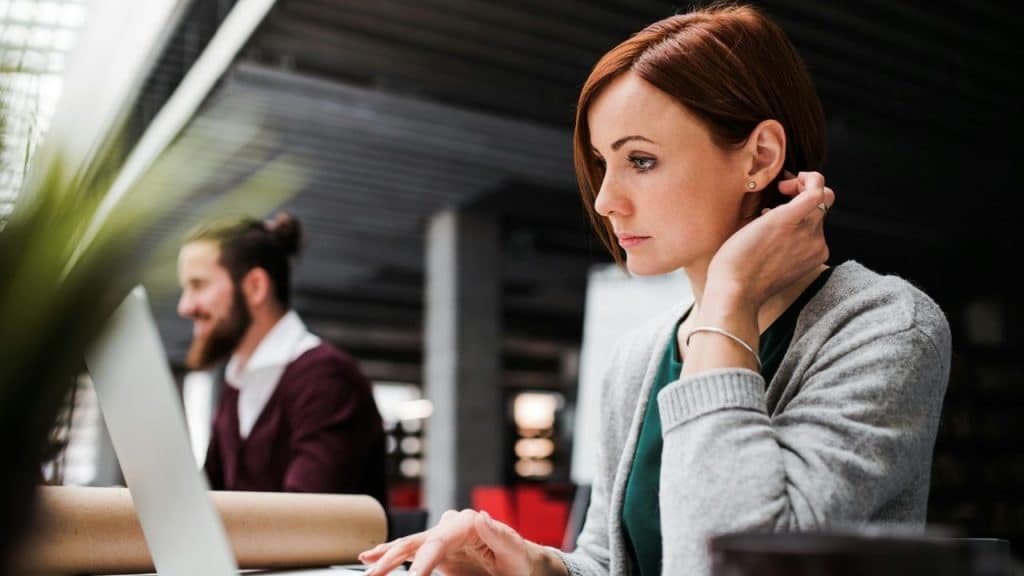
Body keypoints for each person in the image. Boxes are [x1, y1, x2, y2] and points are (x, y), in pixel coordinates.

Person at [357, 3, 952, 575]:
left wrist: (730, 295)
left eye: (640, 160)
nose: (605, 200)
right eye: (601, 163)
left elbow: (739, 561)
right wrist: (536, 565)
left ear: (760, 157)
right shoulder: (639, 357)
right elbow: (617, 565)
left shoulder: (886, 327)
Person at [176, 212, 388, 506]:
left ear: (255, 287)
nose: (184, 306)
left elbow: (304, 522)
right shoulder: (237, 383)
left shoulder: (327, 378)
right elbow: (208, 499)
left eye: (198, 285)